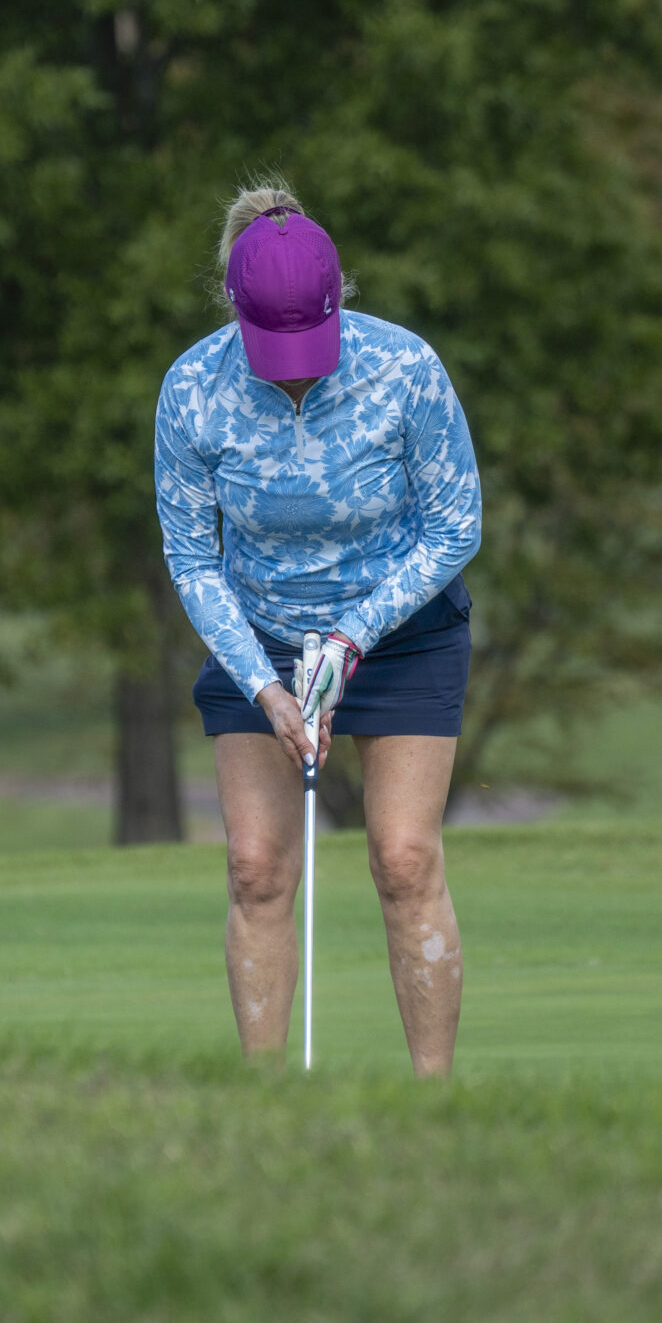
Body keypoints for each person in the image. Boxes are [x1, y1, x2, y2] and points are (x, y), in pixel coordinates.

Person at [155, 185, 482, 1077]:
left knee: (403, 859)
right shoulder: (192, 390)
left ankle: (434, 1109)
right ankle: (268, 1107)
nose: (296, 374)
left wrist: (350, 638)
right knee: (256, 866)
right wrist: (266, 686)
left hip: (401, 629)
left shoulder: (405, 369)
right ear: (234, 306)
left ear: (342, 299)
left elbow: (455, 527)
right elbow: (193, 559)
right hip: (255, 636)